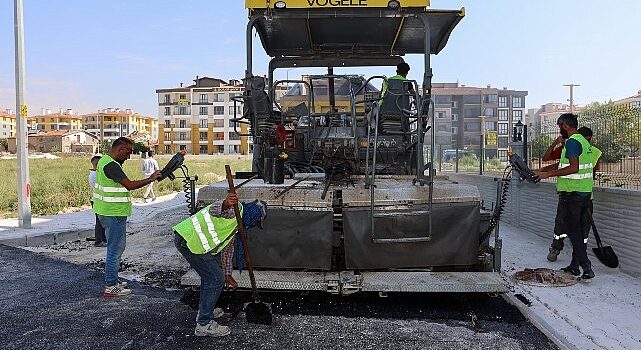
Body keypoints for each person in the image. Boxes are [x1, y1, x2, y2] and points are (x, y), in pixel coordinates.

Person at [173, 194, 266, 337]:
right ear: (252, 216)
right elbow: (215, 209)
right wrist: (225, 204)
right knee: (215, 279)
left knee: (210, 276)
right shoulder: (236, 210)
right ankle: (204, 324)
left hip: (189, 240)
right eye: (254, 222)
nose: (252, 225)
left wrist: (227, 275)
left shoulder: (236, 225)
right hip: (190, 240)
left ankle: (205, 311)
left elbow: (227, 252)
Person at [94, 137, 161, 297]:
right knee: (115, 250)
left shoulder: (104, 160)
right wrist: (150, 179)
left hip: (106, 210)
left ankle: (113, 280)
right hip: (114, 212)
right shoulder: (111, 165)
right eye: (128, 152)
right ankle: (111, 286)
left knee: (115, 248)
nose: (129, 156)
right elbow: (129, 185)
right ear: (120, 149)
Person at [534, 114, 596, 282]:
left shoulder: (573, 142)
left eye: (559, 126)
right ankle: (575, 267)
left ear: (565, 126)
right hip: (583, 193)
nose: (559, 129)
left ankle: (587, 267)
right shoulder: (582, 142)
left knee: (573, 231)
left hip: (573, 194)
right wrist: (543, 172)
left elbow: (574, 168)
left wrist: (548, 175)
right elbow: (564, 164)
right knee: (578, 232)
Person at [546, 126, 601, 262]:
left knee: (572, 226)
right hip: (574, 195)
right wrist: (542, 171)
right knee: (567, 226)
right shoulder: (572, 148)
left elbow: (586, 170)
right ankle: (566, 254)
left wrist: (546, 173)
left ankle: (575, 259)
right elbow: (551, 161)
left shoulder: (591, 151)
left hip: (579, 196)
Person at [89, 155, 107, 247]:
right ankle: (99, 241)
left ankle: (103, 239)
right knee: (100, 221)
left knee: (102, 221)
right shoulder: (95, 175)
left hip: (97, 200)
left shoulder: (95, 173)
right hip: (98, 200)